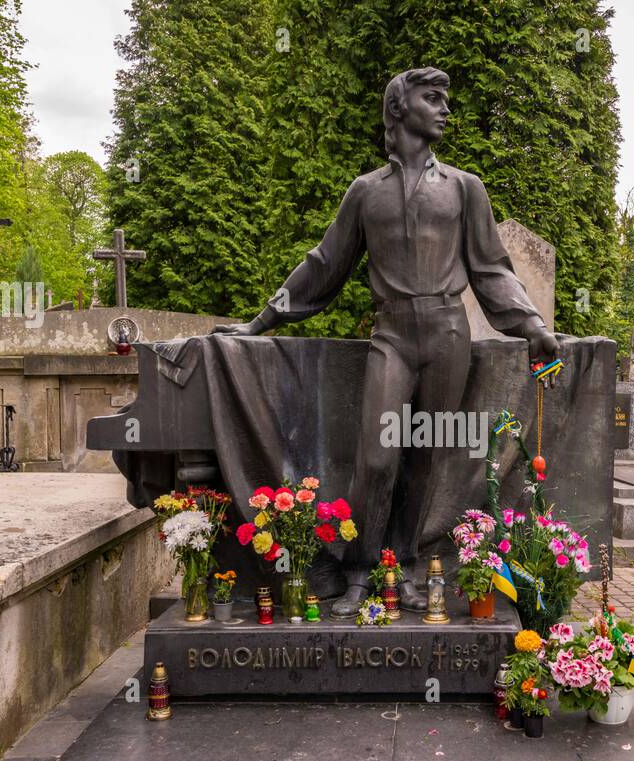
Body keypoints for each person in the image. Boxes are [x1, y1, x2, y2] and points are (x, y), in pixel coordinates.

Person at [216, 67, 558, 617]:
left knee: (424, 458)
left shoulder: (465, 188)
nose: (445, 108)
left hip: (449, 335)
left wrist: (532, 324)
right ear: (398, 108)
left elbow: (492, 270)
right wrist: (258, 323)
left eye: (446, 99)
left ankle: (405, 569)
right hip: (392, 335)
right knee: (376, 458)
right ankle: (358, 568)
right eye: (432, 98)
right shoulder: (365, 193)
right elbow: (324, 266)